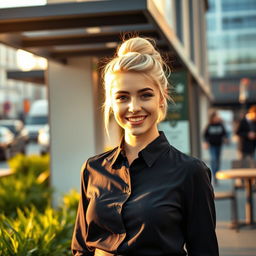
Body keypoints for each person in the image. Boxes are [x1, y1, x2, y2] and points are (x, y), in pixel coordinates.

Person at [71, 37, 219, 256]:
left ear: (162, 97)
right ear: (112, 103)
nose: (134, 107)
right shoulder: (92, 169)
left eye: (145, 95)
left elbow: (204, 251)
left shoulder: (191, 172)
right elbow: (81, 248)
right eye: (122, 97)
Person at [203, 111, 228, 185]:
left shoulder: (220, 125)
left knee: (218, 160)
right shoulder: (209, 125)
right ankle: (215, 176)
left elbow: (224, 133)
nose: (217, 118)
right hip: (212, 145)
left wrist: (225, 138)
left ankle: (217, 174)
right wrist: (206, 142)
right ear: (212, 118)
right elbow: (205, 135)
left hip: (219, 145)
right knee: (213, 160)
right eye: (215, 117)